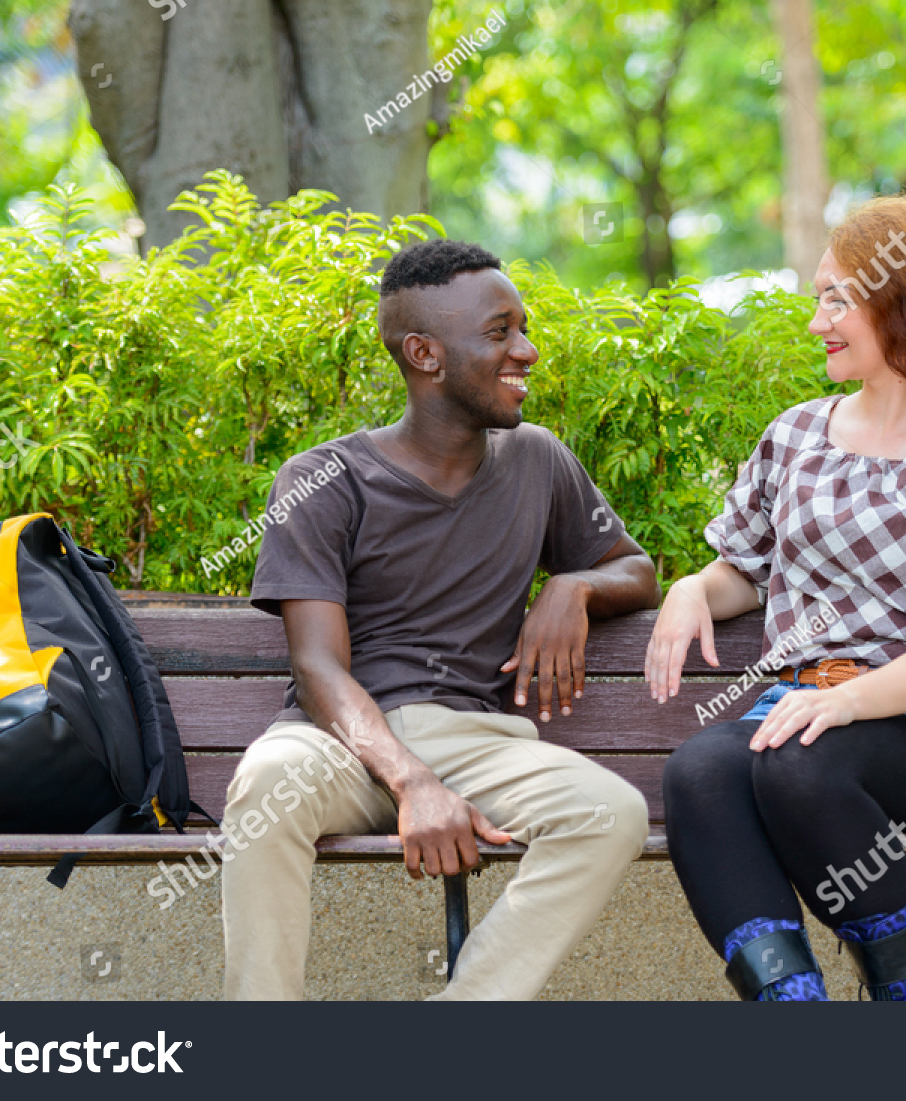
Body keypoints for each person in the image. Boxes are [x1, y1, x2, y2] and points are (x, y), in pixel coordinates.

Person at [645, 196, 906, 1002]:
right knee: (700, 769)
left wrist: (849, 704)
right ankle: (792, 1004)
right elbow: (744, 568)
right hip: (803, 710)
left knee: (796, 767)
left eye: (839, 298)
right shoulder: (798, 435)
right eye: (820, 297)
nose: (819, 321)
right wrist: (691, 588)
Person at [223, 239, 659, 1000]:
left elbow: (638, 569)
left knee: (609, 811)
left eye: (522, 327)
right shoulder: (324, 479)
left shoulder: (538, 460)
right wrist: (411, 779)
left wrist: (574, 587)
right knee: (266, 783)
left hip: (473, 739)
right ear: (424, 354)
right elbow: (318, 666)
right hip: (343, 742)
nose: (525, 350)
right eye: (499, 333)